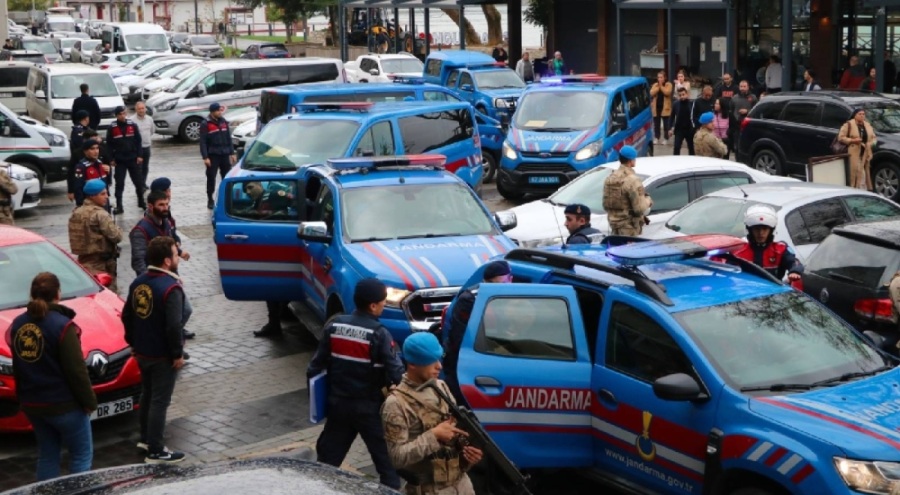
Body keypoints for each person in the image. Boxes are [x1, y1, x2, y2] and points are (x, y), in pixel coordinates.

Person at [306, 278, 403, 490]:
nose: (384, 305)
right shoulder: (379, 333)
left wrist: (320, 404)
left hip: (338, 406)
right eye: (383, 301)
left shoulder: (334, 326)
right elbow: (396, 373)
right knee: (388, 470)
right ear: (373, 305)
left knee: (326, 465)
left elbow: (314, 368)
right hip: (369, 409)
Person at [5, 272, 97, 481]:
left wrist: (22, 397)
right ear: (58, 294)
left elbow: (19, 365)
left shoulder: (18, 324)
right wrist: (89, 401)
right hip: (64, 404)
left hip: (33, 404)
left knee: (47, 456)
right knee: (81, 455)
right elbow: (76, 371)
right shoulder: (62, 326)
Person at [381, 332, 484, 495]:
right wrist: (434, 436)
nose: (439, 366)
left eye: (439, 358)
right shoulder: (396, 404)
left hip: (461, 484)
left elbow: (455, 431)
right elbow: (397, 457)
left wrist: (467, 454)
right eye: (431, 361)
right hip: (428, 489)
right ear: (413, 364)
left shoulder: (441, 387)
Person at [122, 236, 187, 464]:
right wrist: (177, 354)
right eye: (175, 254)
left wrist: (132, 342)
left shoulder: (138, 282)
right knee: (160, 400)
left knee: (147, 395)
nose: (178, 256)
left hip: (142, 352)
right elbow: (173, 325)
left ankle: (145, 438)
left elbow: (127, 315)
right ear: (167, 261)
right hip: (161, 355)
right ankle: (156, 450)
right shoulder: (171, 288)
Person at [444, 260, 512, 404]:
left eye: (505, 283)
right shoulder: (470, 300)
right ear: (486, 282)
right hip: (469, 362)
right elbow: (461, 338)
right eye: (495, 284)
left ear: (511, 279)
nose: (500, 288)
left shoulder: (514, 295)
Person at [148, 178, 195, 341]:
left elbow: (170, 234)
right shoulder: (145, 226)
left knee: (182, 309)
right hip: (159, 272)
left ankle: (176, 332)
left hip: (169, 269)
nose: (170, 194)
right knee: (182, 309)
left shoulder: (165, 216)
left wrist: (179, 250)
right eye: (167, 190)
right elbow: (140, 258)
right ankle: (172, 336)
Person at [68, 179, 123, 291]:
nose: (106, 196)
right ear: (92, 196)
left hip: (84, 263)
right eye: (102, 194)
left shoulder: (76, 212)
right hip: (102, 265)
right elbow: (117, 236)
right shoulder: (100, 214)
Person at [733, 205, 803, 281]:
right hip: (746, 290)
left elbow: (794, 262)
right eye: (756, 229)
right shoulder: (738, 250)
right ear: (750, 230)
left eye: (765, 229)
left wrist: (795, 271)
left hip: (773, 291)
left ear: (771, 230)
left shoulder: (780, 249)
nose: (761, 233)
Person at [603, 145, 653, 236]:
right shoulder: (632, 180)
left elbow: (606, 204)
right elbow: (639, 209)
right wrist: (648, 200)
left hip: (614, 226)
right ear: (631, 161)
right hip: (629, 227)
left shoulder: (610, 178)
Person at [106, 106, 144, 213]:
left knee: (138, 181)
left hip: (132, 159)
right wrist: (111, 159)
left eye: (124, 113)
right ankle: (119, 205)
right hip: (120, 160)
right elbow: (109, 145)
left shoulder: (132, 125)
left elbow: (138, 142)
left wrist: (140, 155)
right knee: (119, 183)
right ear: (117, 115)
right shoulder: (112, 128)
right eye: (120, 114)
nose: (123, 116)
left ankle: (141, 201)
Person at [200, 103, 236, 210]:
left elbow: (228, 139)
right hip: (213, 155)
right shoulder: (206, 124)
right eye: (217, 111)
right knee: (211, 177)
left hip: (224, 154)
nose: (220, 112)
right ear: (212, 112)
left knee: (227, 177)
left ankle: (226, 198)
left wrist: (232, 153)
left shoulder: (224, 122)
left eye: (220, 110)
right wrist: (205, 157)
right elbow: (203, 142)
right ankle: (210, 198)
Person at [839, 108, 876, 190]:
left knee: (864, 174)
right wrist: (852, 140)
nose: (862, 116)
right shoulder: (848, 125)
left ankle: (860, 190)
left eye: (863, 114)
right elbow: (841, 137)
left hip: (865, 154)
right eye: (860, 114)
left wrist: (871, 144)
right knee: (859, 174)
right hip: (854, 153)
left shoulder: (867, 125)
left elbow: (874, 138)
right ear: (855, 115)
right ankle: (859, 190)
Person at [69, 140, 111, 208]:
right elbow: (78, 188)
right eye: (92, 149)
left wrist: (108, 172)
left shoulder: (100, 164)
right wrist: (80, 205)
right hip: (90, 204)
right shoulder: (81, 167)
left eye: (97, 148)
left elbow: (106, 184)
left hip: (103, 202)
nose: (96, 151)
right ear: (85, 151)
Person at [133, 102, 155, 191]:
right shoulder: (132, 120)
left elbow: (152, 131)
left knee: (145, 167)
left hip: (147, 146)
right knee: (138, 168)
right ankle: (139, 185)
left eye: (143, 108)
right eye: (139, 109)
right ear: (136, 109)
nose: (141, 110)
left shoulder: (149, 119)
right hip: (137, 148)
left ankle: (143, 183)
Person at [730, 80, 758, 147]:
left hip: (749, 124)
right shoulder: (734, 98)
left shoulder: (753, 97)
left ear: (748, 87)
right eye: (741, 86)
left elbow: (757, 110)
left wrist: (747, 111)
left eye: (744, 86)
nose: (742, 88)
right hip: (737, 124)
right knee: (737, 144)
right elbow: (731, 109)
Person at [669, 87, 695, 155]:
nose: (682, 96)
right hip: (679, 129)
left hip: (689, 129)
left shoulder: (692, 104)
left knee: (691, 147)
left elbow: (695, 116)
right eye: (680, 95)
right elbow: (671, 117)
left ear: (687, 94)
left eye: (683, 94)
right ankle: (676, 161)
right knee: (676, 147)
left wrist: (695, 127)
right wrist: (670, 128)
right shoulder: (676, 104)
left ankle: (692, 162)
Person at [650, 71, 673, 145]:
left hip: (665, 107)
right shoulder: (655, 85)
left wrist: (661, 86)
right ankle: (657, 137)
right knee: (656, 124)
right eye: (658, 77)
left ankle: (666, 138)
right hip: (656, 108)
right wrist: (658, 87)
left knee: (666, 125)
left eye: (661, 77)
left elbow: (667, 92)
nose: (659, 79)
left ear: (664, 78)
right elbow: (651, 92)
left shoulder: (668, 84)